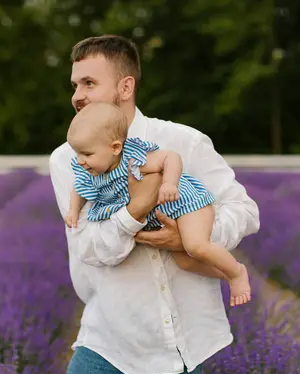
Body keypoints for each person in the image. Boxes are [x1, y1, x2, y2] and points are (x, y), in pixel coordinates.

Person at [49, 35, 260, 374]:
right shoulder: (67, 158)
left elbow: (244, 212)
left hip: (176, 339)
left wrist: (190, 240)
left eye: (89, 83)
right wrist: (134, 213)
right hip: (108, 330)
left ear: (125, 86)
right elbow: (88, 247)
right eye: (74, 85)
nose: (77, 95)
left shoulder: (183, 141)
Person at [64, 101, 251, 307]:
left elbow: (170, 157)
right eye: (78, 153)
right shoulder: (90, 169)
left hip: (186, 203)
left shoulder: (133, 159)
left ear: (116, 148)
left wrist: (169, 183)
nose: (80, 160)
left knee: (196, 246)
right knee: (186, 261)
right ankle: (226, 272)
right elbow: (80, 189)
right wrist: (73, 210)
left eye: (87, 154)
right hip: (168, 213)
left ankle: (237, 273)